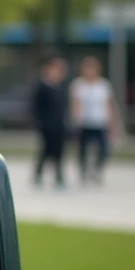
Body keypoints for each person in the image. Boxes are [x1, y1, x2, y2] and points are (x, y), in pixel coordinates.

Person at [71, 56, 120, 184]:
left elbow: (109, 105)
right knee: (83, 149)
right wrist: (76, 120)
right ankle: (84, 170)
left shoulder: (104, 85)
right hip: (85, 122)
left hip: (100, 121)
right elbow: (75, 104)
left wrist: (112, 123)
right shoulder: (78, 85)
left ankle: (97, 169)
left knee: (104, 149)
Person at [33, 55, 69, 189]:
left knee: (59, 152)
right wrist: (40, 123)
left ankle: (59, 177)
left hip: (59, 125)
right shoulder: (42, 86)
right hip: (47, 126)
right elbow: (36, 108)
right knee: (46, 151)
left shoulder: (60, 87)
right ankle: (39, 174)